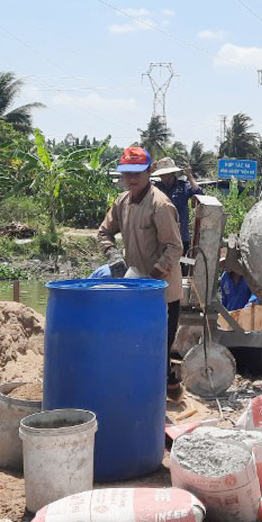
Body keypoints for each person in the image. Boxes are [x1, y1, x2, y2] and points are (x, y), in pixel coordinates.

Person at [98, 145, 185, 398]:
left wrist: (155, 276)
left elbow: (174, 246)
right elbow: (103, 232)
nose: (132, 178)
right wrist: (113, 254)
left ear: (149, 171)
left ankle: (158, 403)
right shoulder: (122, 202)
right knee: (135, 346)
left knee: (158, 349)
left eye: (137, 171)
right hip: (133, 289)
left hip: (162, 293)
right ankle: (157, 392)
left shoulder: (160, 205)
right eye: (127, 172)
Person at [152, 157, 202, 252]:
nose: (163, 177)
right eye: (161, 174)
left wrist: (189, 175)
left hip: (181, 238)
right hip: (159, 239)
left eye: (166, 174)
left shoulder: (183, 186)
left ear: (172, 173)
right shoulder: (155, 187)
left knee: (180, 265)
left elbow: (199, 194)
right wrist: (148, 171)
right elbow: (140, 190)